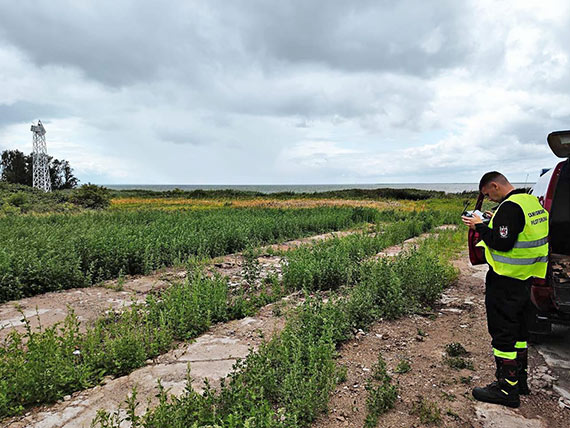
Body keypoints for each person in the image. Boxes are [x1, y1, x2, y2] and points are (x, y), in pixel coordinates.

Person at [462, 171, 549, 408]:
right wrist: (493, 221)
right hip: (526, 278)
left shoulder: (510, 207)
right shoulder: (531, 202)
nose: (489, 199)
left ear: (494, 185)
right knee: (520, 332)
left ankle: (506, 389)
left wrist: (480, 226)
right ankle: (520, 381)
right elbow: (520, 232)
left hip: (505, 280)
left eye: (488, 194)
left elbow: (502, 242)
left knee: (502, 332)